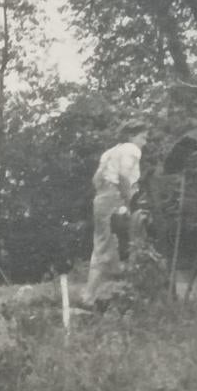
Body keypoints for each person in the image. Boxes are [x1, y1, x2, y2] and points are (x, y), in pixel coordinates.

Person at [81, 122, 149, 306]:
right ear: (131, 136)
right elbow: (124, 176)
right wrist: (128, 201)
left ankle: (99, 294)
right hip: (117, 197)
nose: (145, 141)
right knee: (130, 240)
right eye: (143, 137)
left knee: (105, 244)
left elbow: (95, 180)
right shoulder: (131, 149)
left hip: (102, 197)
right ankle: (92, 296)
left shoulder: (110, 152)